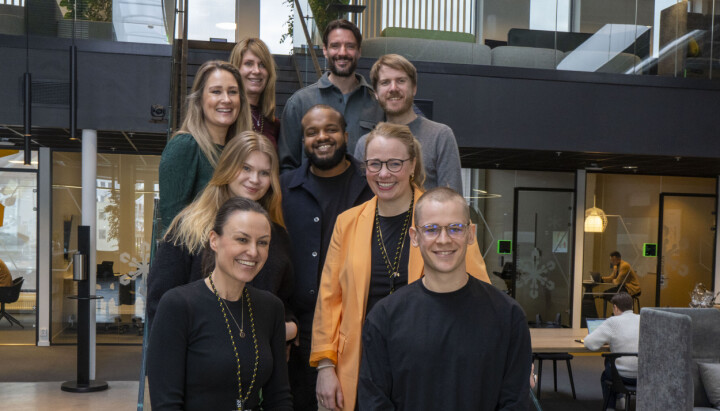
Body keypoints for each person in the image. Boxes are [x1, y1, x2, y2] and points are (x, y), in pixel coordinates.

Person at [311, 122, 490, 411]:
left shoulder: (442, 220)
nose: (383, 174)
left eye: (394, 163)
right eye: (374, 164)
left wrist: (505, 356)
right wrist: (324, 366)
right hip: (359, 367)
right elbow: (329, 300)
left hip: (430, 364)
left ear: (412, 165)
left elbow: (481, 293)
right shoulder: (347, 223)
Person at [358, 187, 532, 410]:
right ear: (415, 237)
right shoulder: (384, 317)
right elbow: (374, 402)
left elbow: (515, 402)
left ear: (471, 234)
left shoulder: (508, 315)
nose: (444, 240)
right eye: (431, 229)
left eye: (455, 228)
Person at [148, 131, 295, 344]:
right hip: (198, 360)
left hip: (259, 366)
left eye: (264, 173)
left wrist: (289, 328)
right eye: (246, 168)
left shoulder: (277, 235)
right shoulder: (189, 227)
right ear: (227, 167)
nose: (255, 180)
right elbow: (159, 304)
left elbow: (286, 301)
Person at [148, 197, 293, 410]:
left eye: (262, 242)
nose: (253, 252)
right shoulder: (178, 305)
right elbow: (166, 404)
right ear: (214, 240)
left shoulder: (271, 308)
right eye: (242, 240)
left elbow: (279, 398)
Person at [281, 105, 374, 410]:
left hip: (361, 326)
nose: (322, 137)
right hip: (299, 334)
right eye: (312, 132)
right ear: (303, 141)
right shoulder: (283, 189)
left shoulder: (372, 184)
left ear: (346, 135)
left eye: (331, 129)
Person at [158, 60, 252, 233]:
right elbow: (171, 228)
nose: (226, 99)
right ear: (199, 99)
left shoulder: (242, 153)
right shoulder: (184, 147)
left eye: (233, 92)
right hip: (195, 257)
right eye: (216, 91)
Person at [278, 19, 383, 172]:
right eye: (335, 46)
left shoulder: (378, 104)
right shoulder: (299, 103)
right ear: (325, 50)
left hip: (366, 194)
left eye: (350, 46)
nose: (342, 53)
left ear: (359, 51)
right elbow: (287, 167)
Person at [354, 54, 463, 193]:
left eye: (401, 81)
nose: (393, 88)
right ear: (375, 92)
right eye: (385, 82)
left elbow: (452, 200)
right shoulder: (364, 144)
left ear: (414, 88)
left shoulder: (440, 136)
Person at [584, 292, 640, 410]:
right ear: (632, 307)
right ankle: (621, 398)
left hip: (622, 376)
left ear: (615, 307)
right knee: (610, 361)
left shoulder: (613, 322)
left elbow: (590, 343)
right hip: (644, 375)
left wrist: (607, 339)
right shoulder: (643, 319)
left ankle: (611, 407)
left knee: (607, 373)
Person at [230, 38, 281, 148]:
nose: (256, 71)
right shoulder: (227, 116)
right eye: (248, 64)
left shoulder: (274, 125)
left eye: (262, 65)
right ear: (236, 69)